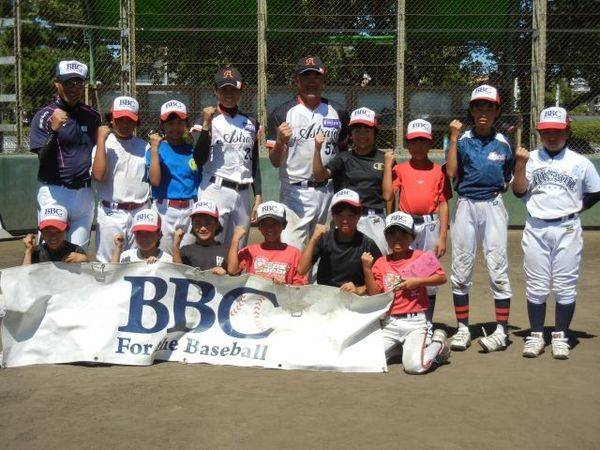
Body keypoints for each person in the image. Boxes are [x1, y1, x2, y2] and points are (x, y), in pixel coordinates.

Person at [512, 107, 600, 359]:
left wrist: (577, 208)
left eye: (557, 131)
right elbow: (518, 192)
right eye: (546, 132)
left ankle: (560, 335)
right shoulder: (529, 158)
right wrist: (520, 165)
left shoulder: (580, 162)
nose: (552, 136)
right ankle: (536, 334)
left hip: (567, 227)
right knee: (536, 285)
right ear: (539, 133)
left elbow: (595, 191)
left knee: (565, 285)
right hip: (536, 226)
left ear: (567, 132)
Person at [445, 85, 514, 353]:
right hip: (466, 204)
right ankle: (463, 328)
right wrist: (453, 138)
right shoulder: (462, 141)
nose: (483, 112)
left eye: (489, 107)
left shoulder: (504, 142)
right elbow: (452, 172)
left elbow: (507, 177)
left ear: (497, 112)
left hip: (493, 205)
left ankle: (501, 331)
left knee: (498, 266)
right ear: (471, 111)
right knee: (461, 267)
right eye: (478, 107)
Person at [266, 55, 349, 249]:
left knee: (323, 251)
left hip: (328, 191)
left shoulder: (338, 112)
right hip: (295, 192)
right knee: (293, 249)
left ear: (323, 80)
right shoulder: (282, 113)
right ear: (297, 81)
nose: (312, 82)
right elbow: (275, 162)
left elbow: (342, 154)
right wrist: (280, 141)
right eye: (306, 77)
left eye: (316, 77)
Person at [361, 211, 450, 375]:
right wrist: (367, 269)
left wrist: (418, 282)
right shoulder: (381, 262)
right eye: (392, 234)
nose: (397, 239)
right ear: (386, 237)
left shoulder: (419, 256)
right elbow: (375, 294)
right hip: (390, 323)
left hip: (414, 322)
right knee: (366, 359)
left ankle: (438, 344)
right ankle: (402, 349)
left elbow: (441, 278)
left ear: (412, 237)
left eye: (403, 234)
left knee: (414, 367)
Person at [383, 118, 451, 329]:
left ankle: (426, 322)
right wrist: (388, 167)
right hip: (406, 225)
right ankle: (400, 318)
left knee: (427, 273)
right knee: (402, 270)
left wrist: (442, 236)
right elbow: (388, 195)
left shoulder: (438, 170)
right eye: (414, 141)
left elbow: (443, 204)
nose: (418, 146)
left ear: (430, 143)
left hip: (430, 225)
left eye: (423, 141)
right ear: (407, 144)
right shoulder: (401, 169)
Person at [29, 60, 100, 251]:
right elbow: (43, 158)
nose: (73, 88)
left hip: (84, 193)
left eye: (78, 83)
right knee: (49, 253)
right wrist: (54, 130)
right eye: (68, 82)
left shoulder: (92, 116)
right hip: (54, 192)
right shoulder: (45, 116)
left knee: (78, 253)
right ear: (57, 83)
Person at [191, 66, 262, 249]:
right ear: (216, 91)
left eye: (233, 89)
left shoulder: (251, 122)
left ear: (241, 91)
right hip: (215, 189)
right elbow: (198, 159)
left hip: (243, 192)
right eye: (224, 89)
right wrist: (206, 126)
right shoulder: (206, 119)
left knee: (239, 248)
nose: (229, 94)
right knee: (212, 247)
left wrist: (258, 195)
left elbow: (253, 160)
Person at [312, 107, 391, 253]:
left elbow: (390, 196)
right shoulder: (343, 158)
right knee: (344, 262)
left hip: (375, 220)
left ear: (375, 132)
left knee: (378, 263)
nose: (362, 135)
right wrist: (317, 149)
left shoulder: (385, 159)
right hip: (346, 221)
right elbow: (319, 176)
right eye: (357, 131)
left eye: (367, 130)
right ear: (351, 134)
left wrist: (390, 222)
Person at [91, 96, 151, 263]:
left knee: (136, 263)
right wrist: (101, 140)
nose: (125, 124)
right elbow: (98, 176)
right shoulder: (104, 144)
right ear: (111, 119)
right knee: (108, 263)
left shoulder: (144, 146)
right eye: (120, 119)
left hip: (140, 211)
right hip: (111, 212)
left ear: (136, 121)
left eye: (129, 120)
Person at [298, 189, 381, 293]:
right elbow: (301, 270)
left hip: (355, 298)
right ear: (333, 215)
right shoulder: (324, 239)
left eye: (350, 215)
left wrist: (358, 289)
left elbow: (381, 281)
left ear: (359, 215)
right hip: (326, 296)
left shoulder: (367, 244)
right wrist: (313, 239)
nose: (345, 220)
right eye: (340, 215)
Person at [146, 99, 200, 255]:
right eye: (170, 123)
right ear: (162, 125)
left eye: (179, 123)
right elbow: (155, 181)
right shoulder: (155, 149)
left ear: (186, 125)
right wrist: (155, 150)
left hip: (190, 209)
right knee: (164, 257)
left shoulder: (192, 150)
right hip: (165, 209)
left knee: (188, 258)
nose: (175, 127)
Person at [227, 201, 307, 285]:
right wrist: (235, 241)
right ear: (259, 226)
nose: (270, 228)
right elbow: (232, 271)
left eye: (274, 223)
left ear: (284, 225)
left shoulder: (295, 254)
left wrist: (284, 286)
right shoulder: (249, 251)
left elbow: (300, 285)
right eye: (264, 224)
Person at [172, 200, 227, 274]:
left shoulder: (226, 251)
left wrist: (224, 274)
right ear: (192, 225)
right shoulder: (185, 250)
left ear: (217, 224)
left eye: (208, 223)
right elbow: (177, 273)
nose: (203, 228)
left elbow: (234, 274)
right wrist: (175, 246)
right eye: (197, 223)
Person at [22, 204, 88, 265]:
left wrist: (85, 260)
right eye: (47, 231)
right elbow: (24, 273)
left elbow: (87, 271)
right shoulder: (36, 252)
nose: (53, 237)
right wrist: (28, 251)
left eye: (58, 231)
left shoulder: (76, 251)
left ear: (66, 231)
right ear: (41, 233)